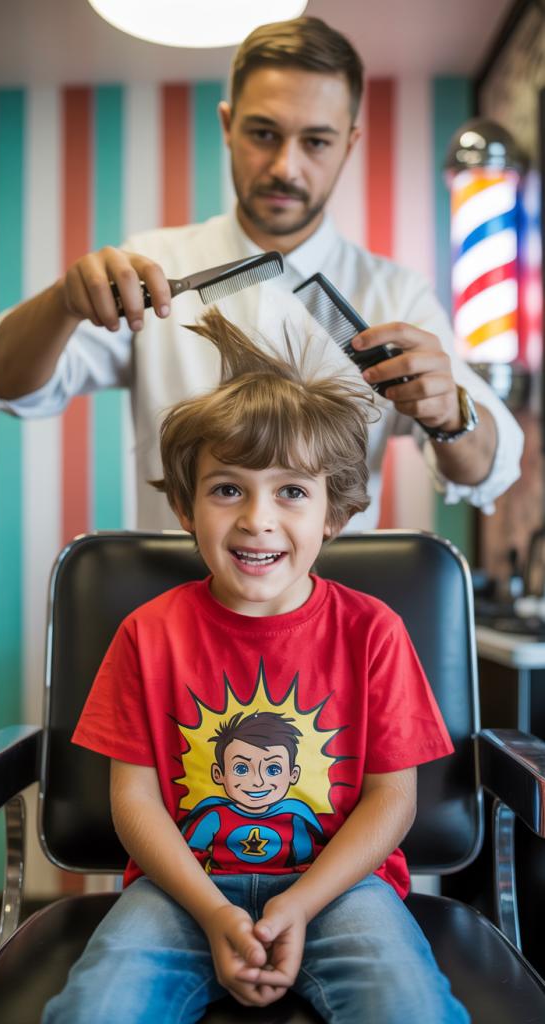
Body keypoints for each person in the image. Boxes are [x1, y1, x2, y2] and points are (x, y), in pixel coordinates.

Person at [42, 308, 469, 1024]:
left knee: (409, 1009)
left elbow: (392, 801)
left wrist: (298, 904)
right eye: (228, 488)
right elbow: (136, 802)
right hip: (180, 889)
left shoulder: (374, 633)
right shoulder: (147, 635)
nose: (257, 519)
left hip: (341, 889)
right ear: (185, 506)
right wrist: (213, 912)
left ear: (333, 513)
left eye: (292, 491)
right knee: (95, 1009)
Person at [0, 18, 523, 532]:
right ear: (229, 126)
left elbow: (485, 471)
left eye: (315, 141)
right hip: (175, 618)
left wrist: (449, 413)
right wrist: (64, 303)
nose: (286, 166)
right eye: (263, 134)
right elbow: (0, 384)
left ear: (349, 145)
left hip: (327, 627)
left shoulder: (397, 295)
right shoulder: (153, 268)